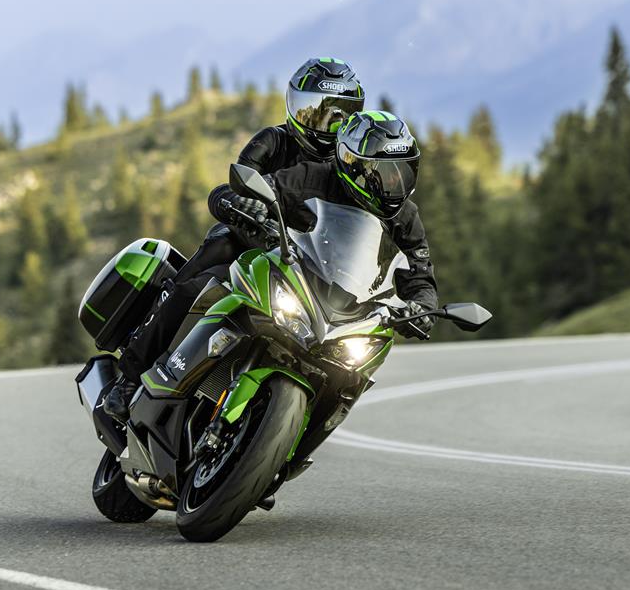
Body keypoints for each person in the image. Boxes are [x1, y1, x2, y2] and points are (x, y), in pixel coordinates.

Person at [101, 57, 366, 421]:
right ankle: (129, 379)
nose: (326, 124)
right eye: (316, 112)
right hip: (246, 246)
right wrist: (238, 203)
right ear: (296, 107)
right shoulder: (273, 141)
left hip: (302, 267)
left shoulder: (346, 169)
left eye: (339, 116)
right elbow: (233, 184)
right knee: (192, 289)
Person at [265, 109, 439, 340]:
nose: (395, 180)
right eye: (385, 171)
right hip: (292, 290)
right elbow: (260, 188)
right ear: (354, 165)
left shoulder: (404, 215)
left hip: (354, 319)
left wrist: (421, 309)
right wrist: (244, 202)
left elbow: (419, 276)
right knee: (224, 248)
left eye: (403, 170)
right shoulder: (311, 178)